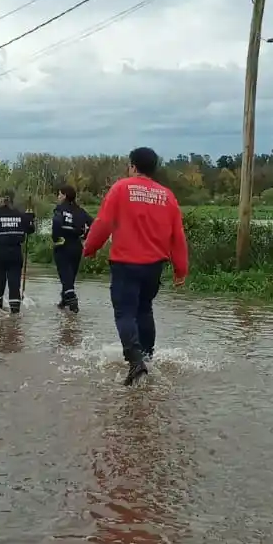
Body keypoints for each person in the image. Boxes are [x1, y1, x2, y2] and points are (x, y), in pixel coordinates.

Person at [83, 147, 189, 385]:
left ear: (132, 166)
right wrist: (181, 269)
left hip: (125, 264)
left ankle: (135, 361)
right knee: (144, 310)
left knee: (125, 312)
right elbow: (178, 236)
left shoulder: (121, 188)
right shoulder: (167, 196)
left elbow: (103, 222)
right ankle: (148, 358)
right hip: (154, 266)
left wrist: (90, 248)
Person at [0, 191, 36, 313]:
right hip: (15, 252)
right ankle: (15, 314)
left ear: (1, 199)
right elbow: (30, 230)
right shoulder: (20, 215)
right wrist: (30, 218)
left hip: (0, 252)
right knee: (14, 283)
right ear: (12, 201)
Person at [52, 184, 93, 313]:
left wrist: (55, 238)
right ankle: (64, 303)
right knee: (70, 277)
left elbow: (57, 224)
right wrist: (84, 235)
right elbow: (94, 224)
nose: (58, 197)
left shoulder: (60, 209)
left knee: (65, 276)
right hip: (76, 246)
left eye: (59, 194)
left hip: (63, 245)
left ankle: (72, 302)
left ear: (64, 196)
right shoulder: (80, 211)